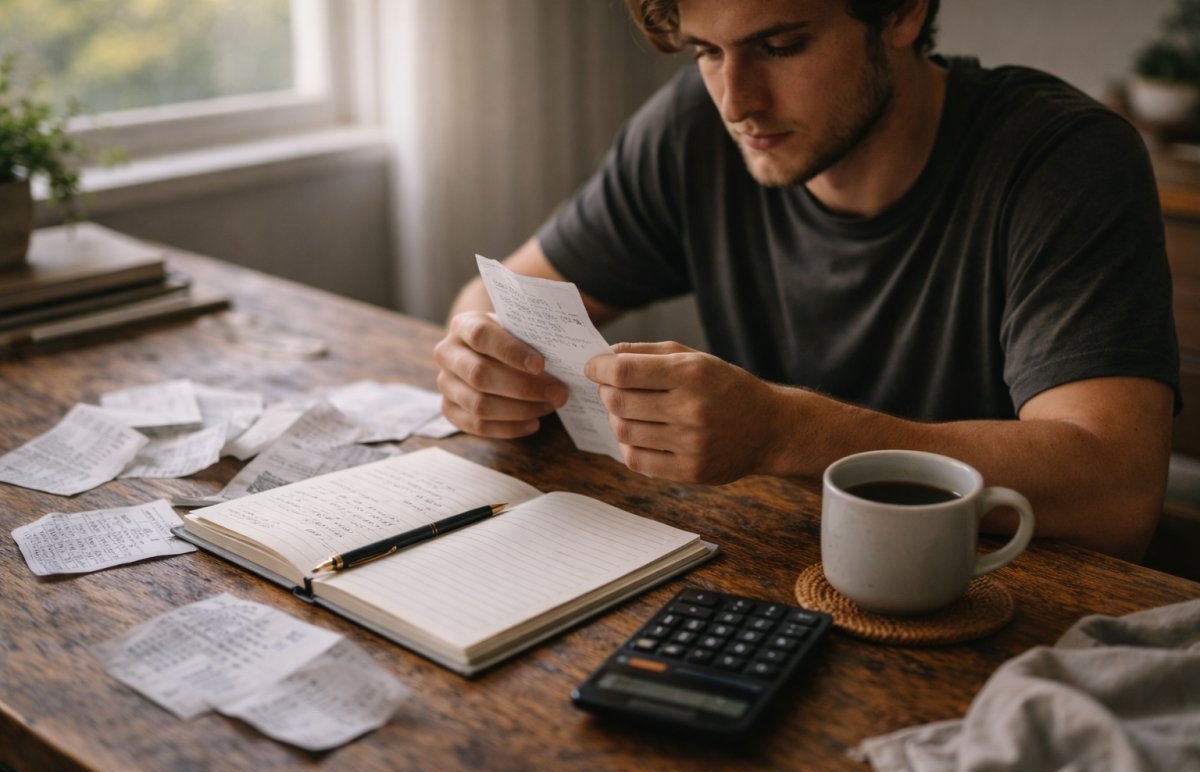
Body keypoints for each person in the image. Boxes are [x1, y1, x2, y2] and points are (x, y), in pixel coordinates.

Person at [433, 0, 1180, 562]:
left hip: (998, 593)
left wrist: (782, 431)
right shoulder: (695, 128)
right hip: (777, 567)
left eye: (780, 46)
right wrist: (485, 361)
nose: (737, 101)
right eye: (705, 52)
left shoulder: (1063, 159)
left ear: (902, 12)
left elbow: (1114, 490)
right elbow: (494, 303)